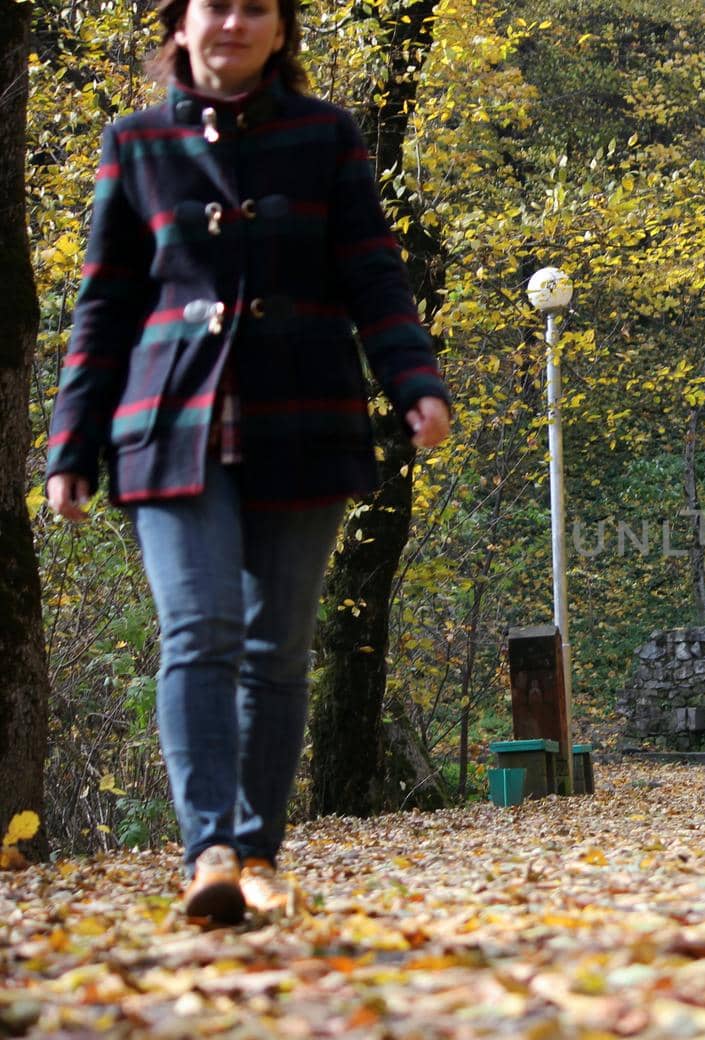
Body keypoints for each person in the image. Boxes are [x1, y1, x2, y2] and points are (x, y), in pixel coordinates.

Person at [44, 0, 452, 924]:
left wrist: (413, 379)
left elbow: (374, 272)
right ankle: (209, 855)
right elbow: (103, 306)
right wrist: (71, 442)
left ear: (279, 31)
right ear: (179, 25)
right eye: (214, 5)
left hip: (304, 418)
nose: (233, 21)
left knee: (277, 649)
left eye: (254, 7)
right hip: (168, 422)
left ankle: (261, 852)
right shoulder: (135, 143)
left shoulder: (327, 136)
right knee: (201, 629)